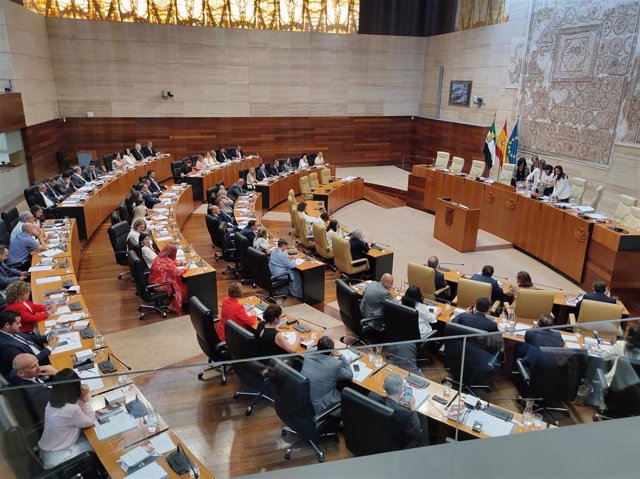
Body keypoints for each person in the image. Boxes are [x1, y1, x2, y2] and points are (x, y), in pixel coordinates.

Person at [38, 368, 95, 469]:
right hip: (59, 459)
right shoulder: (72, 410)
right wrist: (85, 398)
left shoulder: (51, 401)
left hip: (47, 450)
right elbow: (90, 420)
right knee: (96, 444)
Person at [368, 373, 422, 449]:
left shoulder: (372, 396)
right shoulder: (406, 413)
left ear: (383, 387)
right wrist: (413, 408)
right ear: (401, 390)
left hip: (377, 437)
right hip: (396, 445)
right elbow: (417, 432)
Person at [301, 336, 353, 414]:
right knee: (352, 395)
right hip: (321, 405)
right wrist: (341, 356)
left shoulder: (308, 353)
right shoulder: (334, 365)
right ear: (332, 351)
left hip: (305, 397)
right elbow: (350, 376)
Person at [0, 310, 58, 377]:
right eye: (17, 323)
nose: (20, 325)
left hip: (44, 353)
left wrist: (48, 338)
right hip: (41, 365)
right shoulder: (6, 346)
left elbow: (32, 338)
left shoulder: (11, 330)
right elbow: (30, 364)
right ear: (7, 325)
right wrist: (49, 348)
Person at [8, 353, 57, 420]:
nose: (39, 368)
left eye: (37, 363)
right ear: (21, 373)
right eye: (33, 367)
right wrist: (56, 373)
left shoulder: (14, 372)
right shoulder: (38, 393)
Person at [149, 245, 189, 315]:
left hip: (153, 281)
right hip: (162, 285)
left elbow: (171, 264)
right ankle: (172, 306)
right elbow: (178, 272)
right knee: (184, 288)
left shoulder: (159, 257)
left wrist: (181, 263)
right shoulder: (167, 262)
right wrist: (186, 267)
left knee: (180, 281)